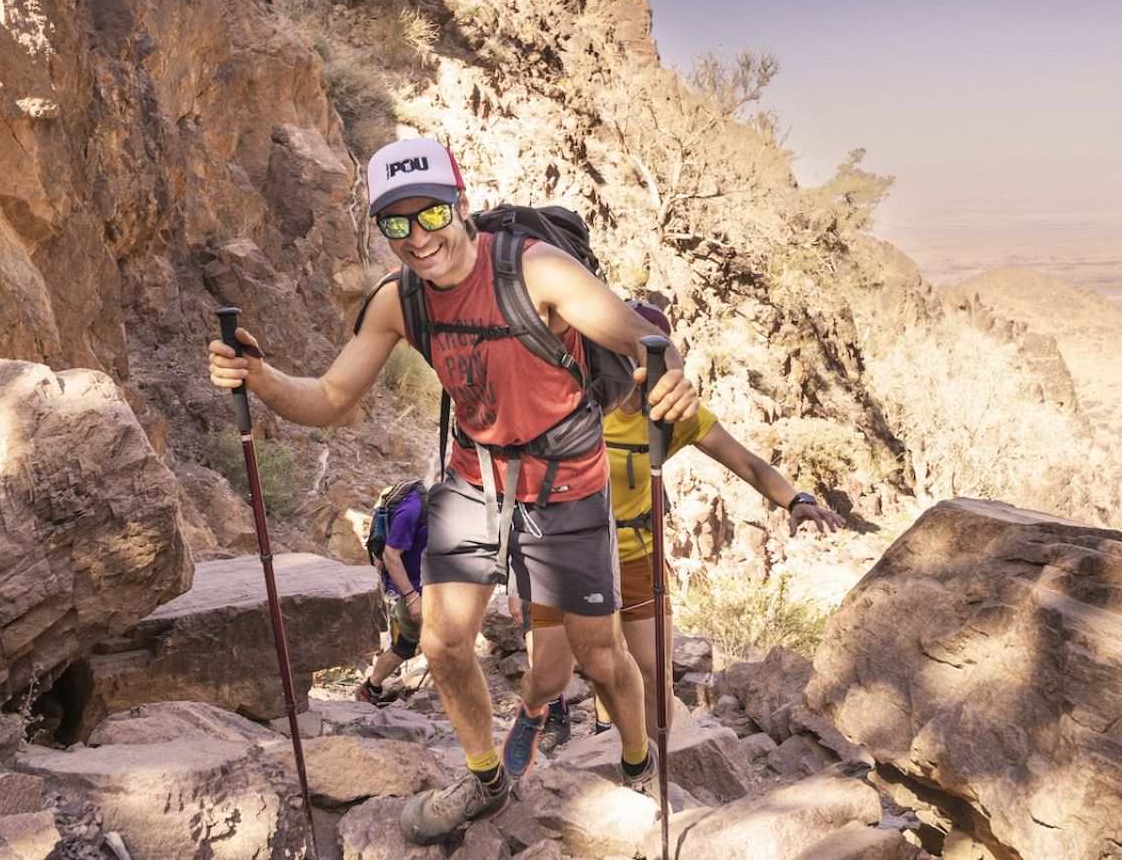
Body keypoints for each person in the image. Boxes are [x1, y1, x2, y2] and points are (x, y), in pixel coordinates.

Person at [207, 136, 698, 846]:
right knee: (439, 644)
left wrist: (672, 375)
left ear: (461, 206)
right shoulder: (397, 302)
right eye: (396, 225)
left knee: (598, 658)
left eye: (430, 215)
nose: (418, 238)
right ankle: (486, 778)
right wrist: (260, 378)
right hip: (476, 480)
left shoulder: (539, 273)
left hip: (567, 483)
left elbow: (641, 342)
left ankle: (635, 761)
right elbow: (330, 397)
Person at [505, 302, 845, 764]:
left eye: (652, 357)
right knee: (549, 675)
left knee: (653, 673)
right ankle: (532, 712)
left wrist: (796, 500)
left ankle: (645, 766)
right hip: (565, 551)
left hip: (637, 553)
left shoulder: (672, 414)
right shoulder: (568, 398)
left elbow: (744, 461)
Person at [358, 483, 429, 705]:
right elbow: (391, 555)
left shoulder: (447, 506)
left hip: (431, 584)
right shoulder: (412, 511)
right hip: (407, 589)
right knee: (404, 646)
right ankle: (370, 688)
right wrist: (411, 597)